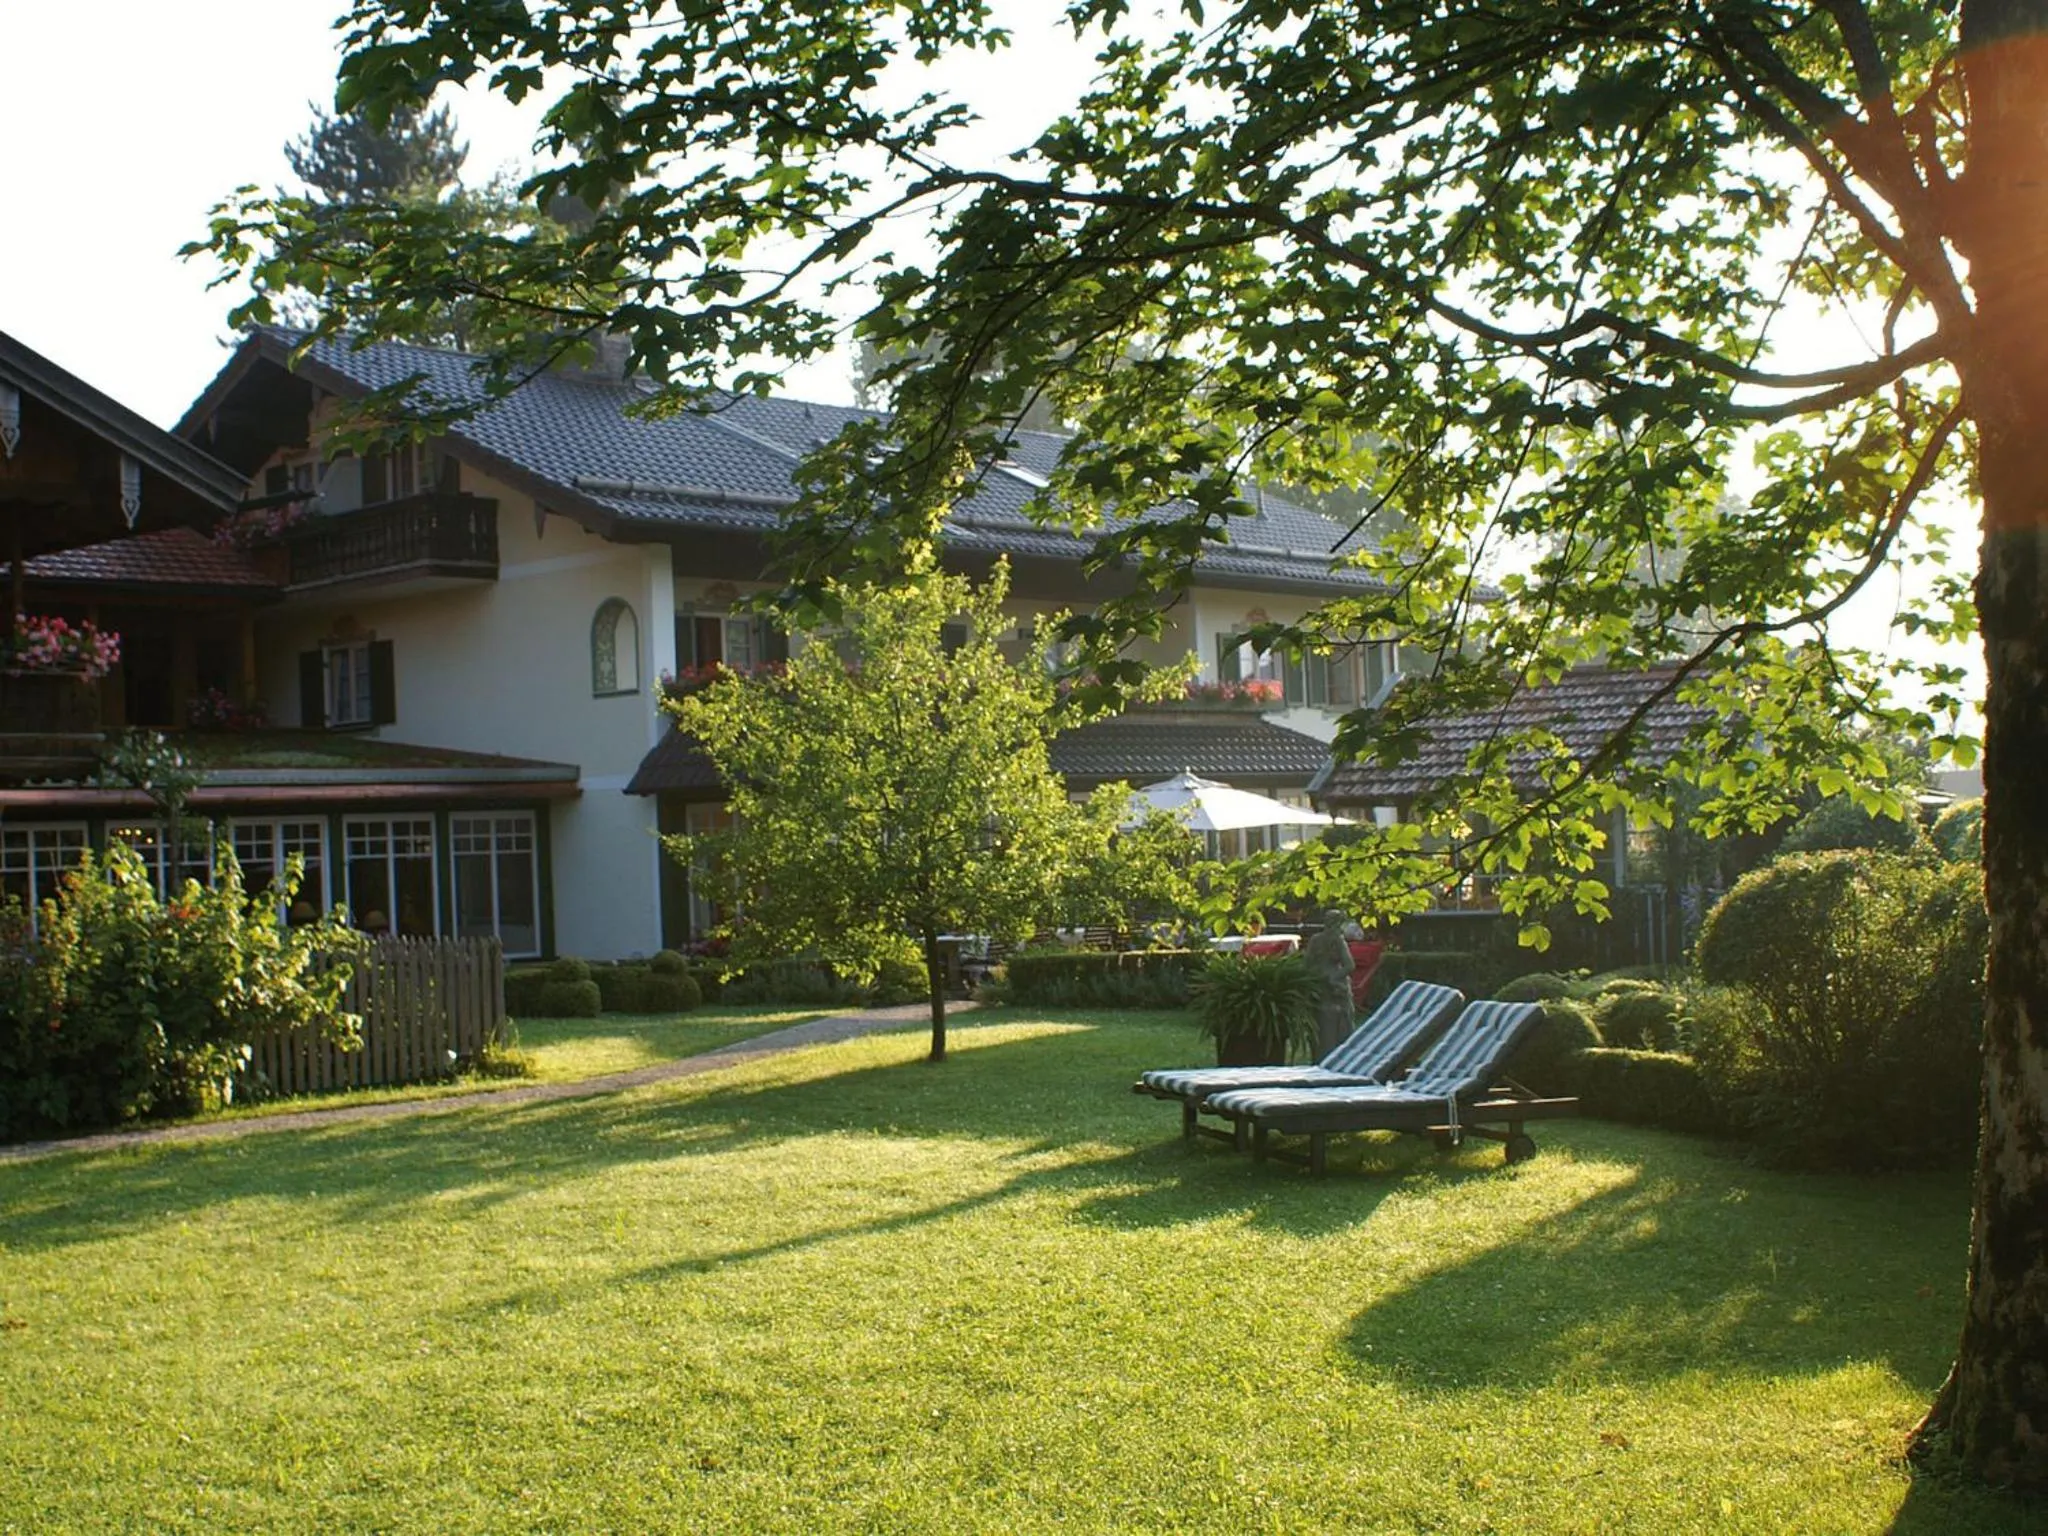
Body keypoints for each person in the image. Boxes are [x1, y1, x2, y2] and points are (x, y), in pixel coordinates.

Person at [1301, 907, 1357, 1058]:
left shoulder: (1315, 939)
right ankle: (1338, 1056)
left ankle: (1320, 1055)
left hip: (1318, 983)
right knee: (1338, 1024)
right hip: (1334, 985)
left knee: (1321, 1022)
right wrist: (1334, 977)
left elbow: (1306, 964)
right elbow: (1350, 965)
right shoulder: (1338, 940)